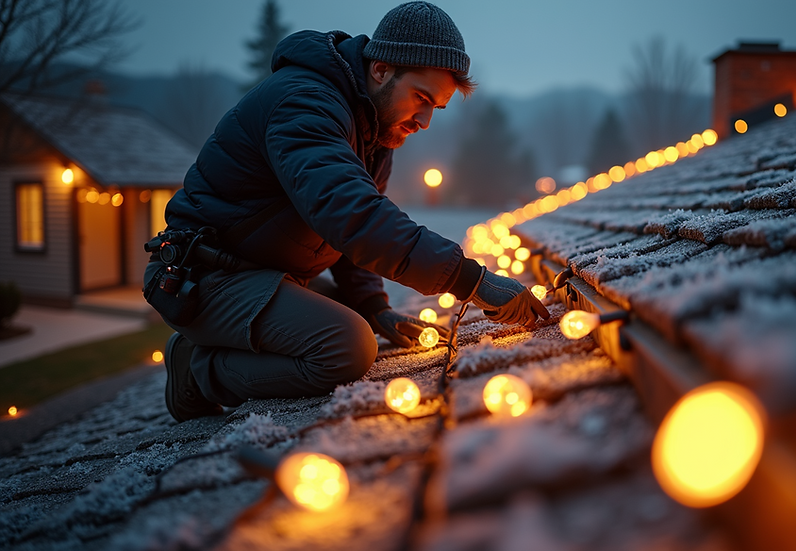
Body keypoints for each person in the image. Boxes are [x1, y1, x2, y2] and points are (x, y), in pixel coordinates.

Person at [146, 1, 549, 423]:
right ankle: (198, 371)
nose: (425, 120)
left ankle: (223, 350)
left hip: (260, 273)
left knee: (360, 321)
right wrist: (470, 280)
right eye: (421, 98)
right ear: (380, 69)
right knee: (347, 347)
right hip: (201, 277)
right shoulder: (304, 104)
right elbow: (350, 215)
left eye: (436, 107)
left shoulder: (374, 132)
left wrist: (375, 306)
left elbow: (344, 234)